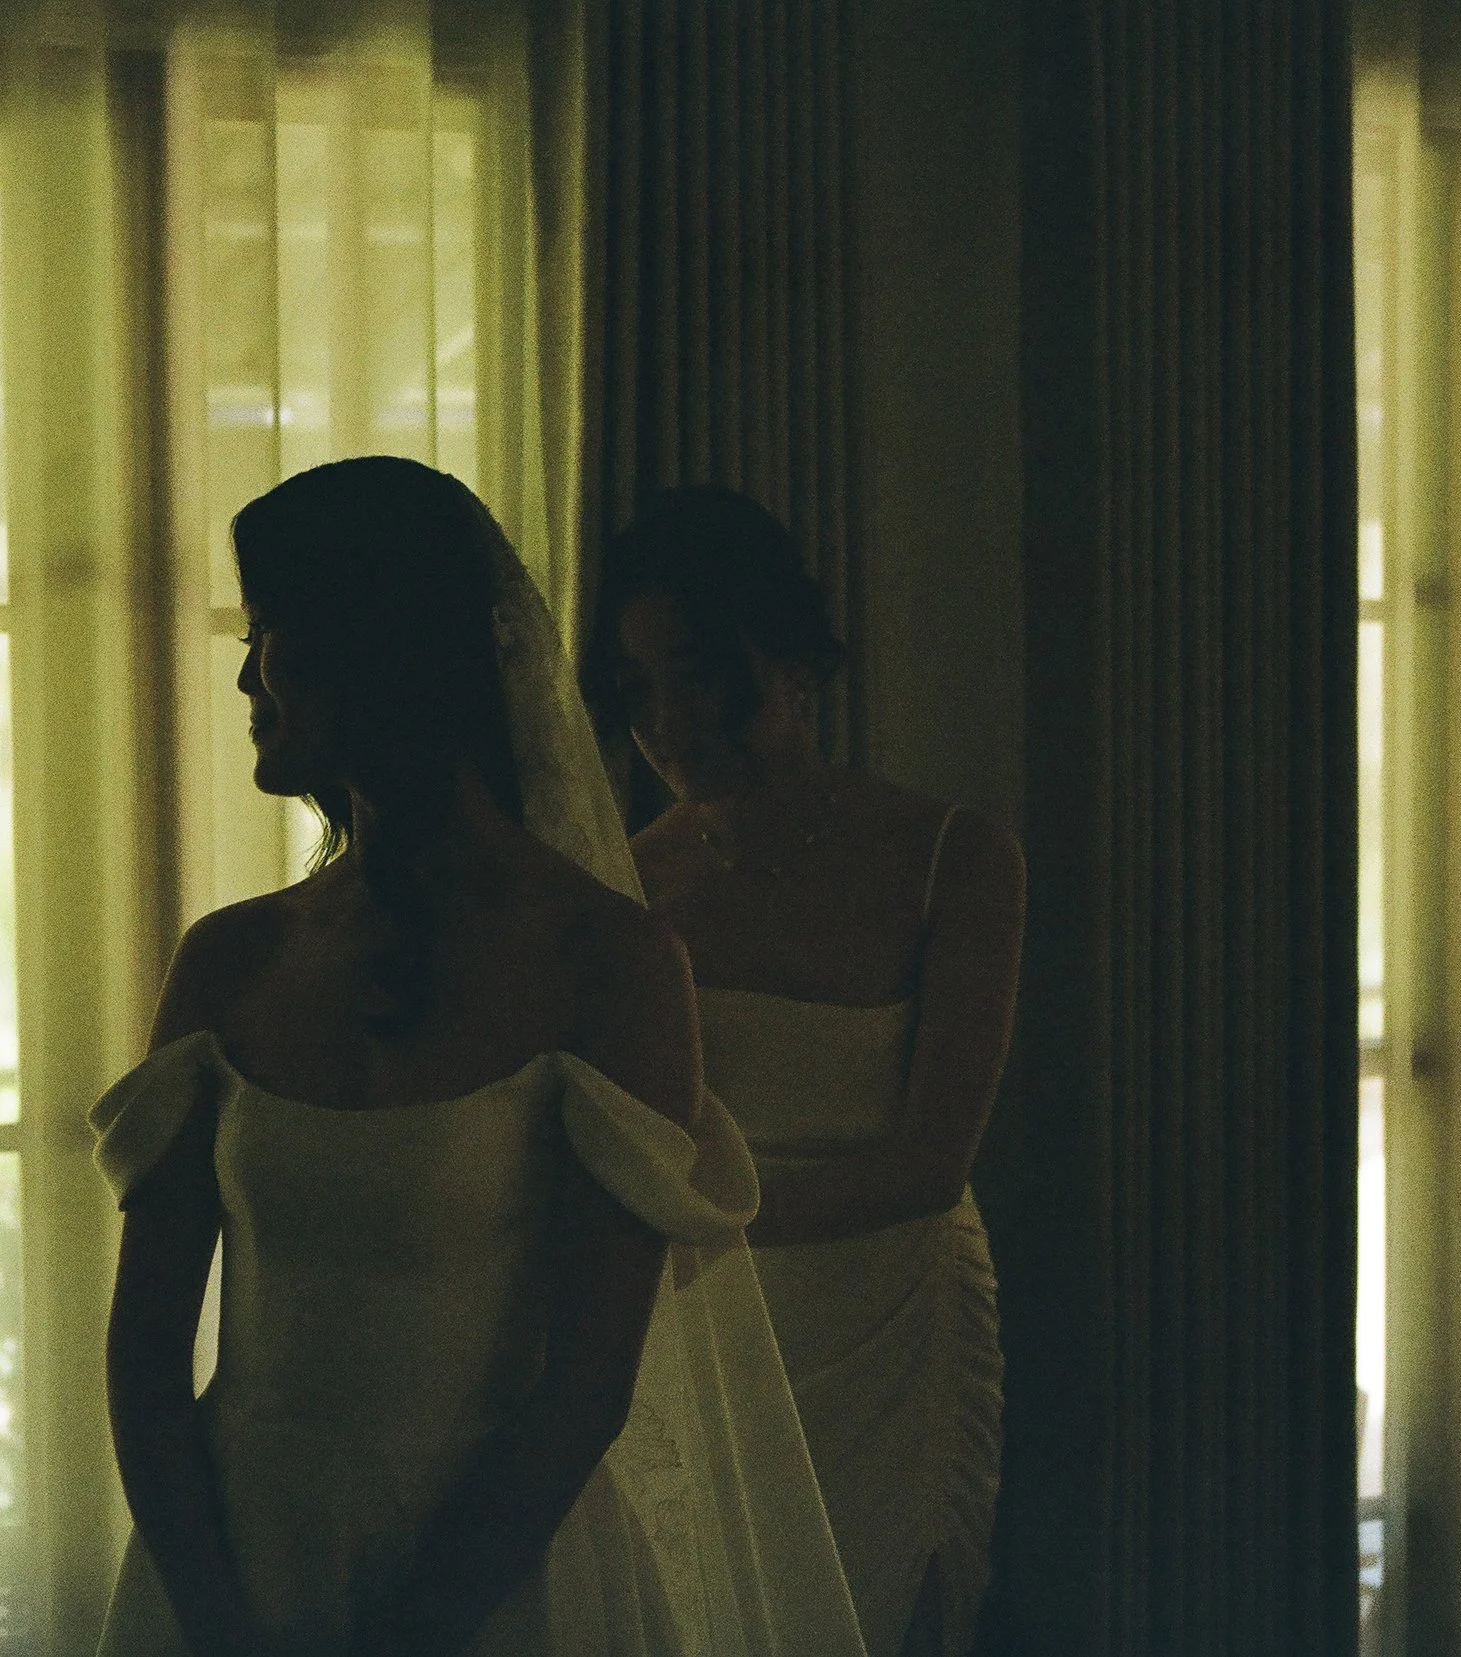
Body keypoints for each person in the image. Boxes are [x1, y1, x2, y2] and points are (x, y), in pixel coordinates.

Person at [90, 457, 866, 1657]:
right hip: (235, 1568)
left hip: (500, 1581)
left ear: (379, 641)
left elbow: (588, 1381)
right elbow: (144, 1346)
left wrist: (411, 1636)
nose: (245, 674)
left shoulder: (607, 962)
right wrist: (218, 1620)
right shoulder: (231, 960)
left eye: (270, 631)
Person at [583, 488, 1025, 1657]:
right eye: (637, 692)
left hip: (894, 1320)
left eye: (696, 672)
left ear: (782, 657)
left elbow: (931, 1164)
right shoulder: (628, 888)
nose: (670, 721)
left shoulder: (951, 858)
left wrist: (681, 1221)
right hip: (710, 1331)